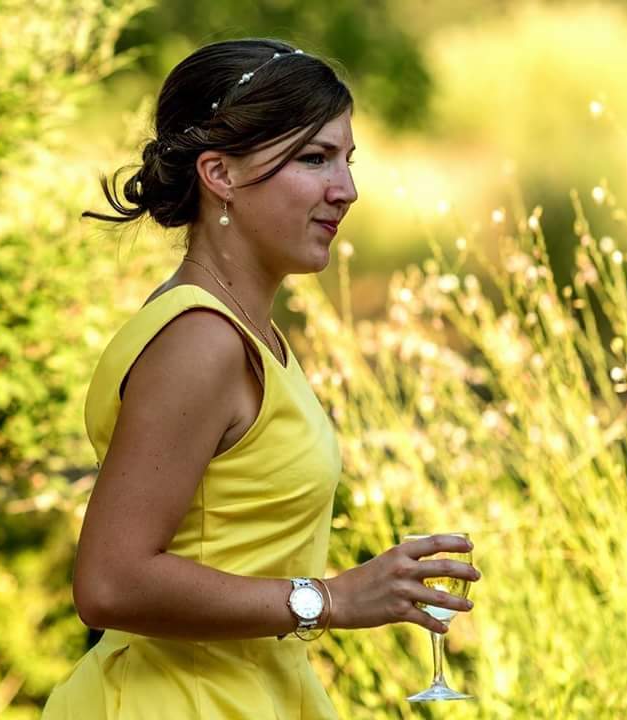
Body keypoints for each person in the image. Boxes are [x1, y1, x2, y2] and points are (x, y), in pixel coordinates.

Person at [41, 38, 480, 720]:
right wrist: (330, 600)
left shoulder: (246, 333)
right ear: (219, 173)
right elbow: (109, 583)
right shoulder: (200, 339)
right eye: (315, 158)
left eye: (347, 160)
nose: (346, 190)